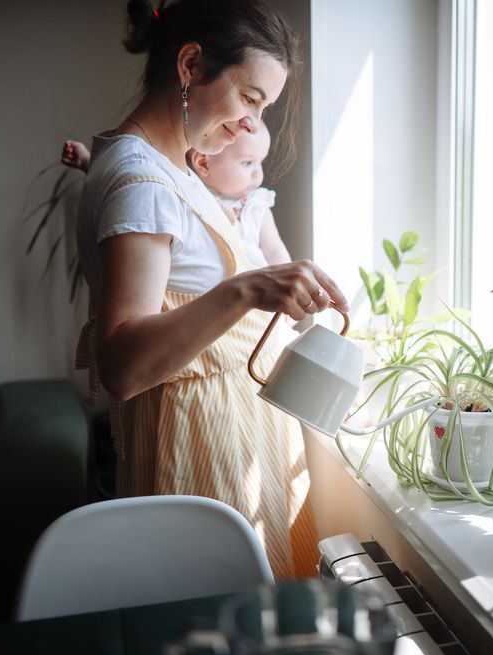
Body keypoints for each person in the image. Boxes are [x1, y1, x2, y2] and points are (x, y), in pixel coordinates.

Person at [74, 0, 348, 579]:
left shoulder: (167, 168)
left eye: (263, 107)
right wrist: (246, 290)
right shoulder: (141, 180)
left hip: (227, 437)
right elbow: (122, 363)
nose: (254, 125)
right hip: (197, 454)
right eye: (250, 99)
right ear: (191, 64)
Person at [63, 124, 288, 269]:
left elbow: (275, 250)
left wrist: (284, 282)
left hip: (259, 296)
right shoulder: (191, 190)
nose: (258, 173)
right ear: (203, 163)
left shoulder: (257, 205)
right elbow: (139, 174)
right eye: (247, 163)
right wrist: (88, 162)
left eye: (261, 161)